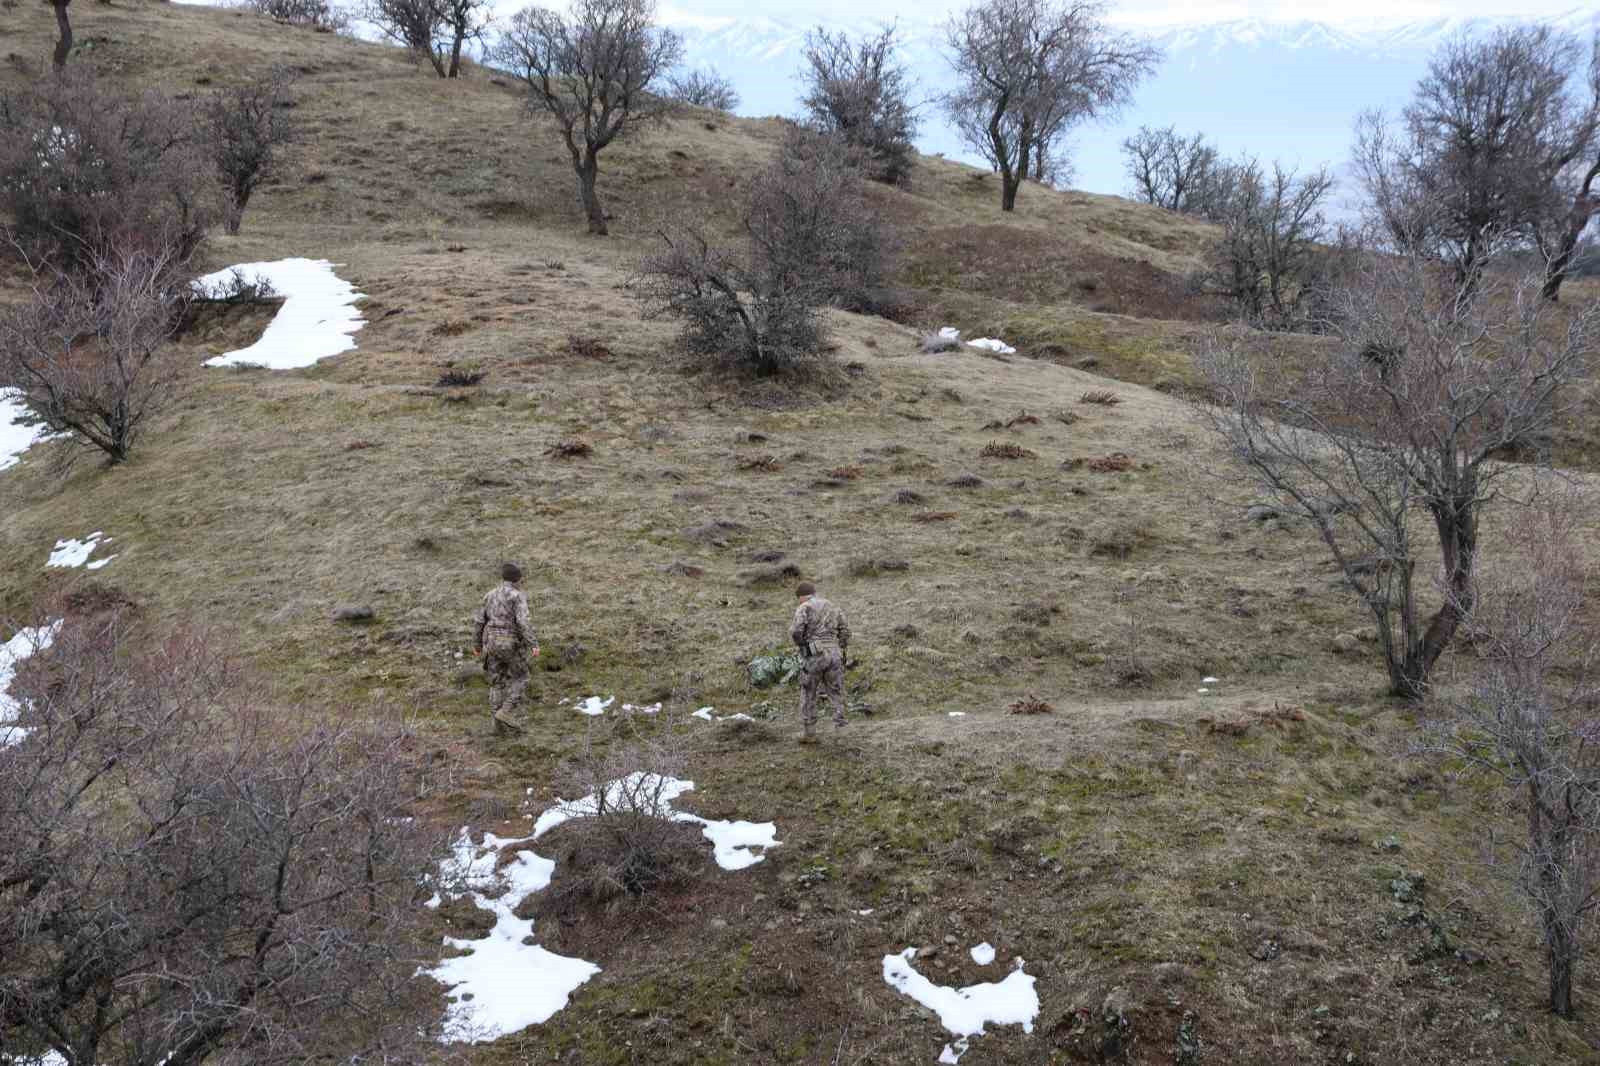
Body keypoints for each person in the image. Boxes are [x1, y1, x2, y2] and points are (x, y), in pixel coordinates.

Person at [473, 563, 539, 735]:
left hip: (491, 644)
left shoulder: (489, 595)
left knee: (496, 683)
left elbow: (479, 622)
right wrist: (533, 644)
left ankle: (497, 727)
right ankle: (506, 711)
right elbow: (523, 622)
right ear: (518, 579)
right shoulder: (517, 596)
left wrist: (477, 646)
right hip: (510, 644)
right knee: (522, 677)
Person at [789, 581, 851, 744]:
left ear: (802, 597)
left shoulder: (805, 607)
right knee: (835, 692)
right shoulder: (833, 606)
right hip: (834, 653)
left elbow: (796, 631)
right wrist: (841, 646)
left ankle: (809, 733)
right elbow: (845, 630)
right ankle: (841, 732)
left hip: (814, 654)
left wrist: (803, 644)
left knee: (808, 691)